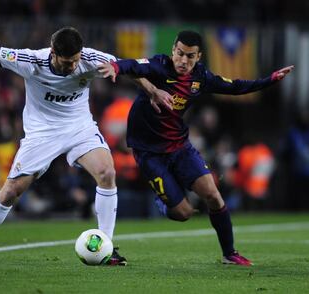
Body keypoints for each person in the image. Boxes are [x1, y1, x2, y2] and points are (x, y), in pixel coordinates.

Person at [0, 26, 160, 265]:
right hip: (41, 134)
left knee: (107, 172)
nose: (72, 66)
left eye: (75, 60)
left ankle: (107, 246)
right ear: (52, 52)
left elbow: (129, 68)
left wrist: (152, 91)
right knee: (10, 192)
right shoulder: (31, 61)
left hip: (79, 128)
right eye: (66, 62)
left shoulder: (91, 59)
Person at [98, 30, 294, 266]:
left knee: (212, 194)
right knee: (183, 213)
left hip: (180, 146)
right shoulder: (159, 66)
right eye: (180, 54)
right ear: (173, 50)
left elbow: (236, 86)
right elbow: (132, 65)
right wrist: (116, 68)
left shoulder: (201, 77)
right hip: (149, 152)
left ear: (199, 56)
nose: (183, 61)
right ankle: (165, 201)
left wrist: (269, 80)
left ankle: (229, 253)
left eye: (190, 56)